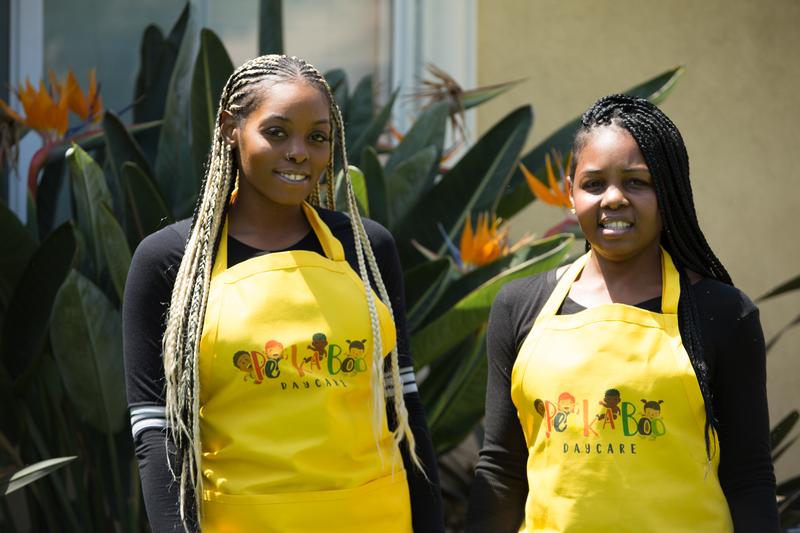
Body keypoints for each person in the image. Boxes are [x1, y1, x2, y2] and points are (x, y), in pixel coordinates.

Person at [123, 54, 444, 532]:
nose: (299, 152)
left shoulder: (366, 248)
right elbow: (156, 433)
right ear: (230, 129)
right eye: (276, 132)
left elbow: (404, 404)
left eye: (317, 137)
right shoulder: (172, 261)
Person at [466, 94, 777, 532]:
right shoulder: (518, 306)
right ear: (570, 193)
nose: (613, 198)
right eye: (594, 184)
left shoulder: (723, 313)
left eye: (636, 182)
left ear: (669, 192)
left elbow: (748, 477)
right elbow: (501, 469)